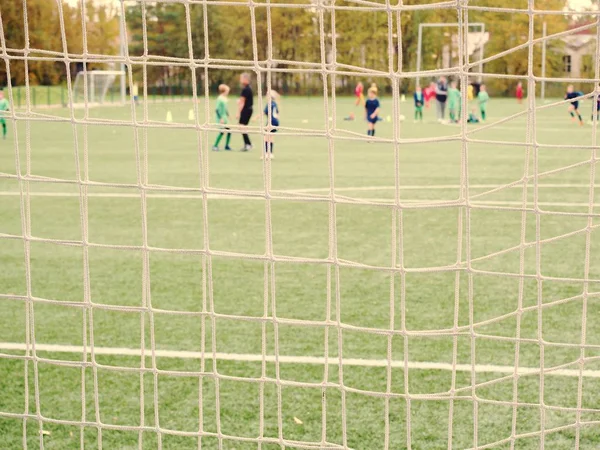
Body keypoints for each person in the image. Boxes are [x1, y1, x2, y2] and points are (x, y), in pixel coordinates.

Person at [212, 84, 232, 151]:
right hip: (221, 117)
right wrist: (220, 118)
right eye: (227, 91)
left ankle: (227, 146)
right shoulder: (219, 98)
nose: (228, 92)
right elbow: (216, 110)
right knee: (222, 132)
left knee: (229, 130)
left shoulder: (225, 98)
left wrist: (228, 115)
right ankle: (215, 146)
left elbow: (225, 108)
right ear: (224, 91)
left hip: (225, 117)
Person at [237, 73, 254, 151]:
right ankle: (248, 144)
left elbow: (242, 102)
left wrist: (238, 112)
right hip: (249, 109)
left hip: (246, 110)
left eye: (241, 78)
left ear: (245, 79)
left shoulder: (246, 89)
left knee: (242, 127)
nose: (240, 80)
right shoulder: (248, 88)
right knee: (243, 127)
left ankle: (248, 144)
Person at [262, 90, 280, 159]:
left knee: (266, 137)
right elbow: (277, 114)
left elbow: (264, 112)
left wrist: (255, 118)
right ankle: (271, 154)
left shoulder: (269, 104)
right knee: (271, 137)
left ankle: (267, 153)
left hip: (271, 122)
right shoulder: (274, 103)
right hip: (276, 122)